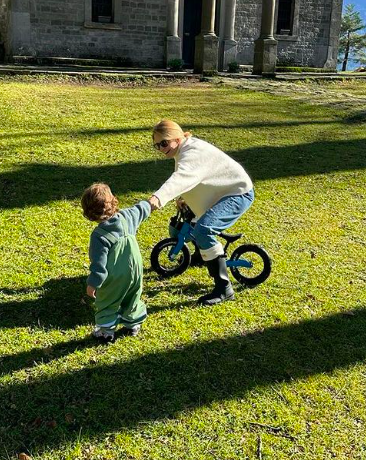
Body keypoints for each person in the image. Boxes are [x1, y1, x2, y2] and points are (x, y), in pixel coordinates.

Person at [148, 120, 254, 306]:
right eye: (157, 145)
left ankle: (224, 289)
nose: (161, 149)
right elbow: (194, 177)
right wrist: (184, 198)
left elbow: (182, 176)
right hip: (221, 191)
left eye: (164, 143)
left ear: (178, 137)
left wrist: (158, 198)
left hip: (238, 193)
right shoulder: (183, 149)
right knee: (190, 219)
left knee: (203, 230)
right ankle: (199, 256)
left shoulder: (192, 152)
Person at [81, 182, 151, 343]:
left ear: (89, 212)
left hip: (115, 277)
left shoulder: (99, 235)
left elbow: (99, 264)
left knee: (108, 301)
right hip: (135, 271)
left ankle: (106, 332)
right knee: (132, 297)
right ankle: (133, 324)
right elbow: (141, 209)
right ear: (114, 202)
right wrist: (150, 204)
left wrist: (93, 283)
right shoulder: (127, 217)